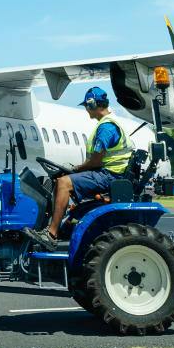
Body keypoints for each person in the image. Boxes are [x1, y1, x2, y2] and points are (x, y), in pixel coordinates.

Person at [32, 88, 132, 244]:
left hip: (108, 175)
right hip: (108, 173)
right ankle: (54, 226)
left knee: (64, 183)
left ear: (93, 105)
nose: (86, 109)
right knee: (61, 179)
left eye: (86, 105)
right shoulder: (107, 124)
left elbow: (96, 161)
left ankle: (51, 234)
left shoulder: (106, 128)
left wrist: (76, 168)